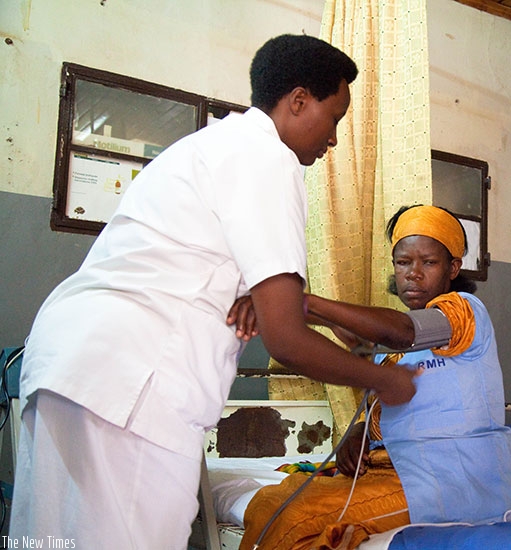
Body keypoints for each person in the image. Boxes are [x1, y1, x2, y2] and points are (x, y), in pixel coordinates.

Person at [10, 35, 420, 549]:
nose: (333, 140)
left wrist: (287, 303)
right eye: (334, 119)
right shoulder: (270, 159)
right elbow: (285, 340)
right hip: (133, 384)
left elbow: (251, 290)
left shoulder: (211, 147)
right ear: (297, 101)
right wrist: (384, 382)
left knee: (52, 540)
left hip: (68, 364)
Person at [240, 205, 511, 550]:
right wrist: (362, 433)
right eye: (403, 262)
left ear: (453, 268)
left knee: (295, 516)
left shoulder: (463, 311)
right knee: (270, 500)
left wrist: (304, 303)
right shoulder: (395, 345)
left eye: (428, 263)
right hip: (395, 471)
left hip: (451, 484)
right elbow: (366, 349)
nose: (413, 274)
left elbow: (403, 332)